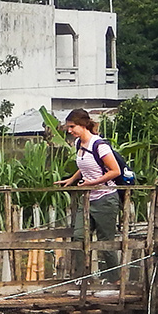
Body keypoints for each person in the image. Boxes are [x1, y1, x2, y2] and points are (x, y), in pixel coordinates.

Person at [52, 109, 123, 283]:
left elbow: (115, 171)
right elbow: (85, 165)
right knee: (78, 237)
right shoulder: (79, 144)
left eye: (72, 126)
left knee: (106, 242)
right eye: (69, 127)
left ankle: (114, 279)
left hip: (106, 198)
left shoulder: (100, 145)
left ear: (83, 125)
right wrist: (72, 179)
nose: (70, 130)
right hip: (87, 200)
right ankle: (82, 277)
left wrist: (92, 183)